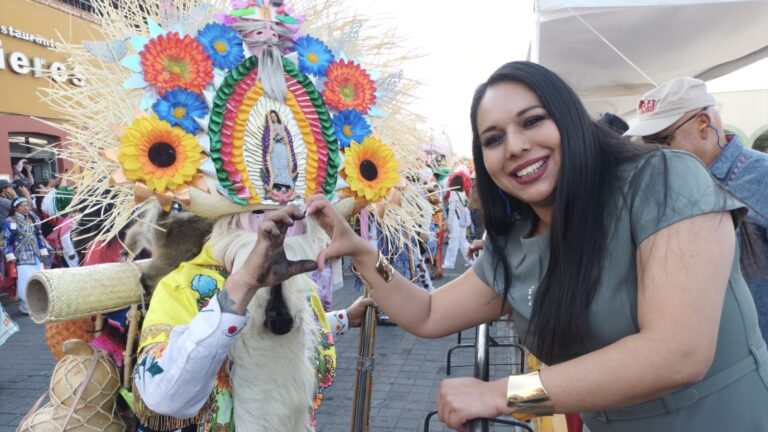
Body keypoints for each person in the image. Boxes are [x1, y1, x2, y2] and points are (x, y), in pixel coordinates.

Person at [306, 61, 768, 431]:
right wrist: (363, 255)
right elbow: (427, 314)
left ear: (569, 120)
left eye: (532, 121)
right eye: (493, 139)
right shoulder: (516, 241)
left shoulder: (664, 180)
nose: (515, 146)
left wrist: (503, 394)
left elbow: (677, 353)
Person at [624, 77, 768, 342]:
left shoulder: (762, 176)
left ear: (703, 123)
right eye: (647, 143)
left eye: (663, 139)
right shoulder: (665, 184)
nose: (655, 151)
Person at [2, 197, 48, 314]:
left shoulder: (33, 218)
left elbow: (39, 235)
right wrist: (9, 254)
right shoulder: (10, 221)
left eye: (27, 205)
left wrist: (42, 249)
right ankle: (26, 305)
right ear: (16, 207)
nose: (27, 208)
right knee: (25, 281)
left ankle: (39, 302)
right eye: (23, 205)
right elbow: (4, 240)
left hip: (36, 254)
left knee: (39, 279)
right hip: (21, 257)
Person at [442, 175, 472, 270]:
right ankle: (472, 260)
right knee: (463, 241)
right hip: (462, 220)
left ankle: (449, 263)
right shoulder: (462, 193)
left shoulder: (453, 193)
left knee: (453, 242)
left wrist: (449, 224)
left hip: (455, 220)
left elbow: (451, 210)